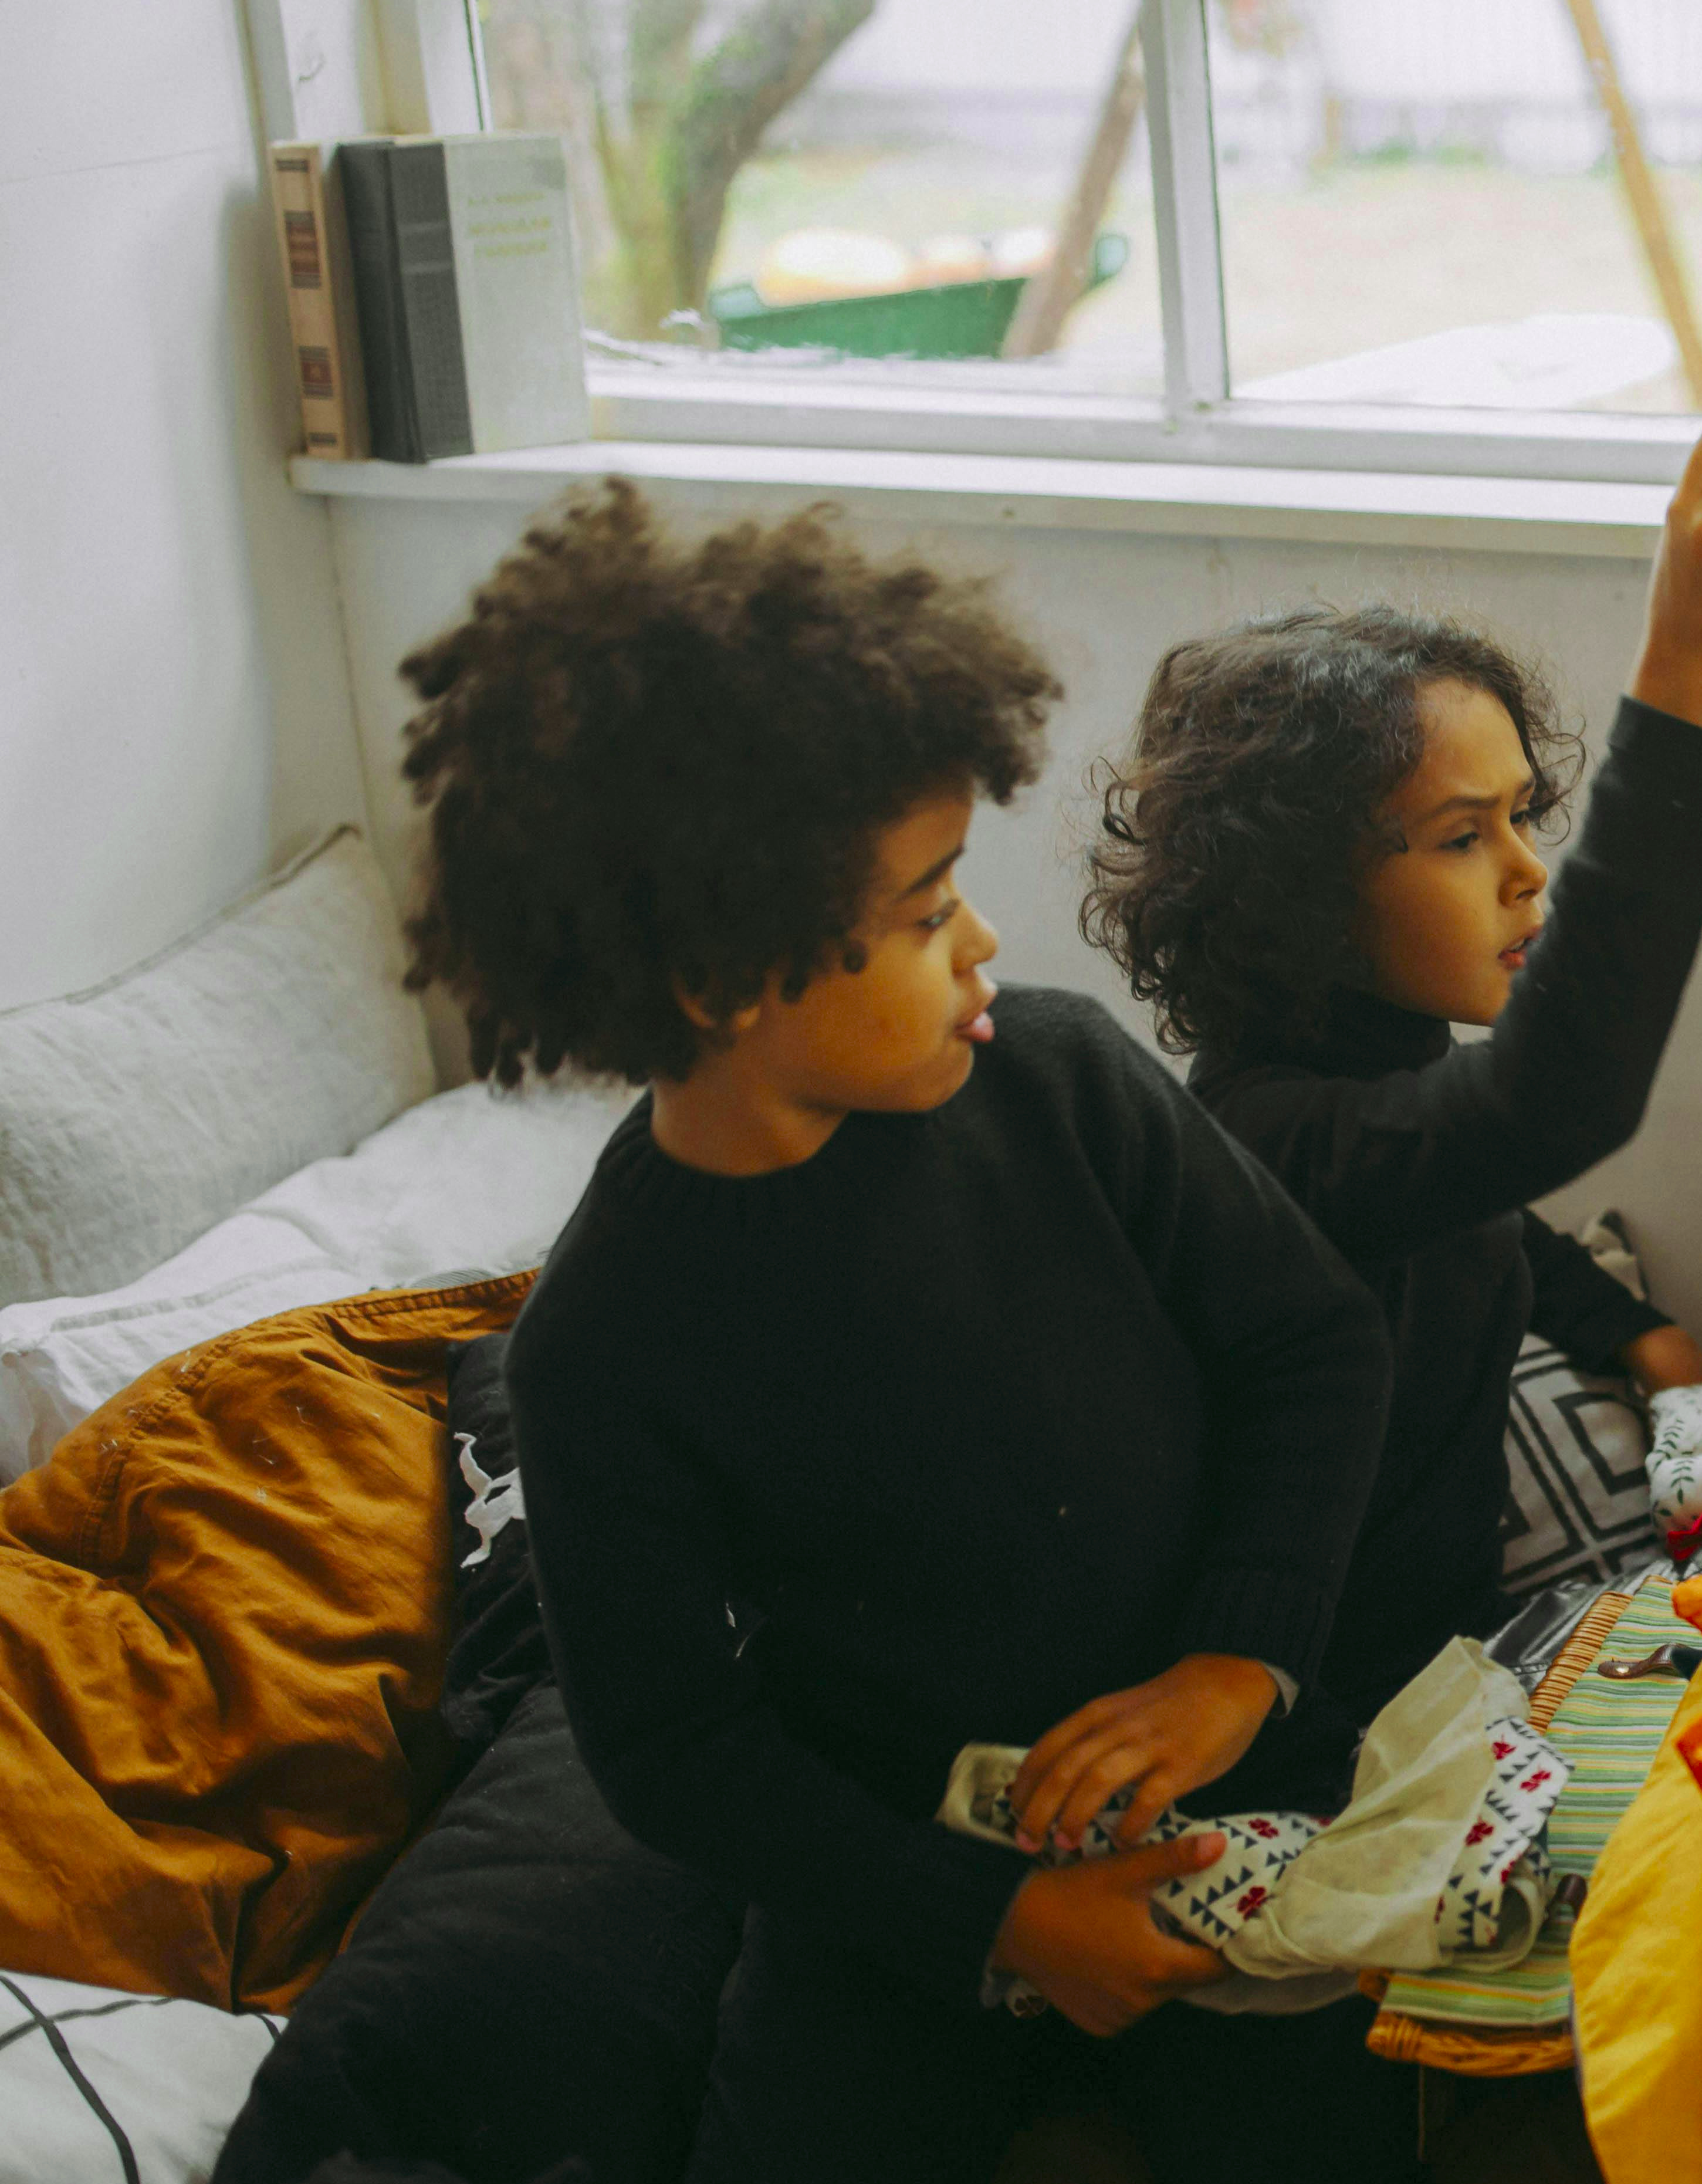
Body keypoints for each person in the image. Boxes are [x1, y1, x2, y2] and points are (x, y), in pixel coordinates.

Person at [408, 481, 1406, 2180]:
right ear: (727, 980)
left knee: (1350, 2122)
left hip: (1217, 1771)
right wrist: (998, 1921)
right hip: (905, 1873)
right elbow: (670, 1747)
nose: (983, 939)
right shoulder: (600, 1349)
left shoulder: (1065, 1082)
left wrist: (1236, 1665)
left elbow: (1313, 1346)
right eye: (930, 909)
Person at [1082, 405, 1702, 1794]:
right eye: (1461, 837)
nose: (1529, 868)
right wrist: (1688, 665)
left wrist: (1639, 1335)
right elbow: (1544, 1109)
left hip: (1461, 1660)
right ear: (1303, 895)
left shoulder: (1383, 1086)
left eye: (1525, 814)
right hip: (1328, 1739)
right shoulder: (1265, 1143)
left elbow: (1488, 1219)